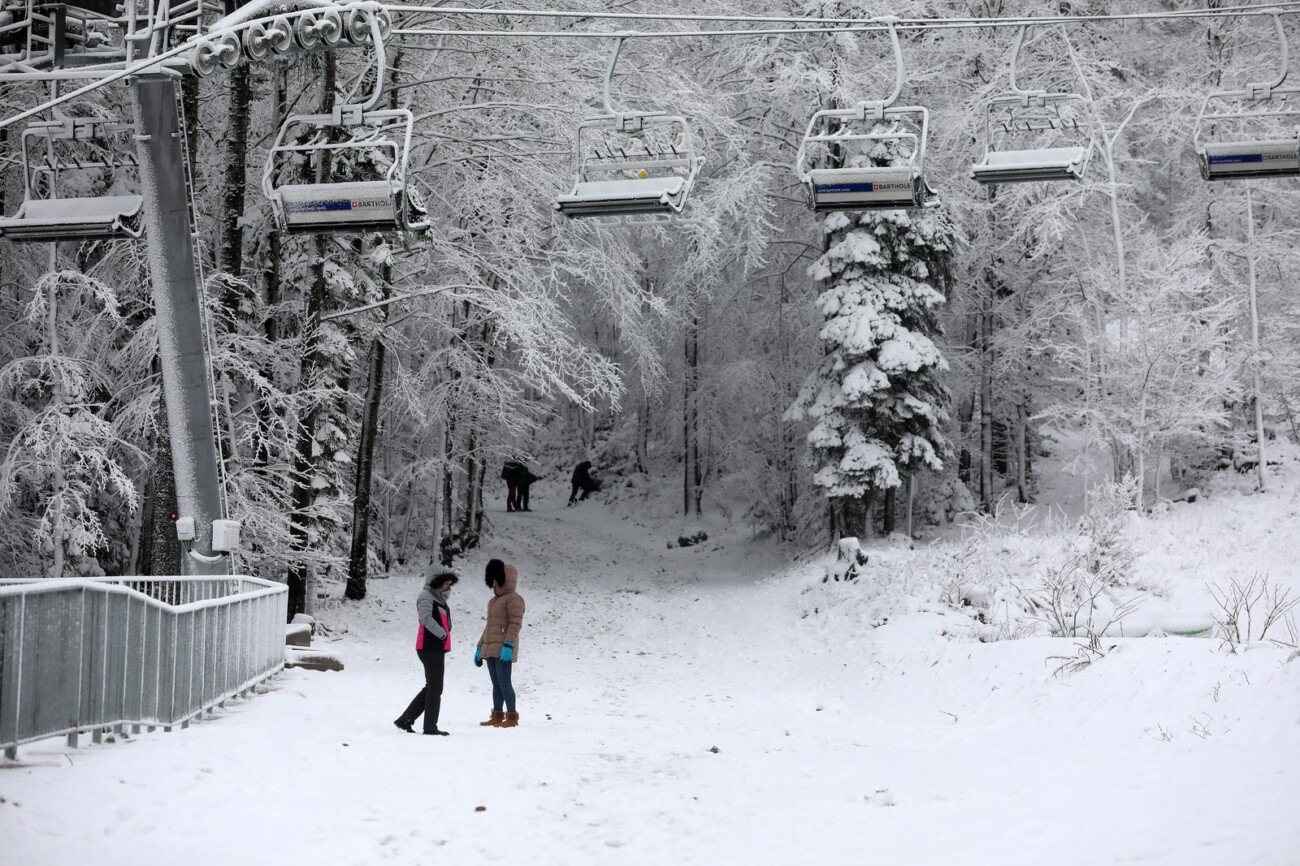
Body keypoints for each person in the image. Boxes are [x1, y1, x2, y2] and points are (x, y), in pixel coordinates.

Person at [394, 566, 458, 736]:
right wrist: (442, 633)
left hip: (436, 647)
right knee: (435, 688)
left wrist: (444, 635)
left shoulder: (440, 600)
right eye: (446, 583)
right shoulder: (425, 596)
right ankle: (430, 727)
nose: (449, 587)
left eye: (451, 584)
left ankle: (405, 719)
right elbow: (425, 618)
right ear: (436, 580)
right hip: (428, 647)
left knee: (433, 687)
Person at [474, 558, 526, 728]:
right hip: (491, 648)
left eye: (495, 579)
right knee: (496, 684)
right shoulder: (493, 601)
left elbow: (515, 623)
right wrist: (480, 646)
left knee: (505, 682)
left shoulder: (514, 599)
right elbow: (490, 626)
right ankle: (497, 714)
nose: (493, 584)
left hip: (503, 648)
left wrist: (509, 645)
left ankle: (512, 716)